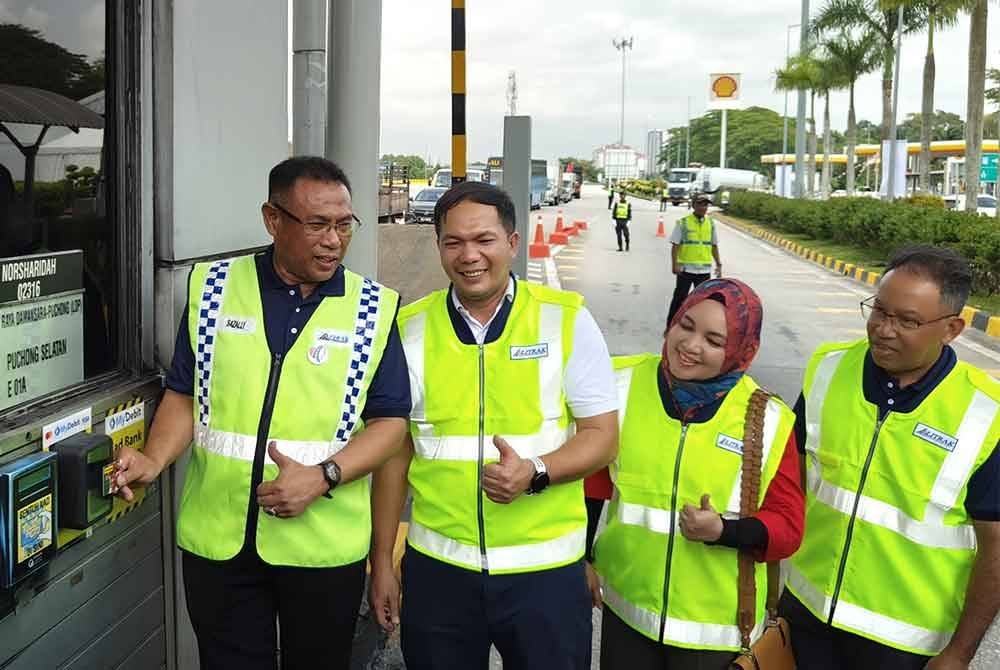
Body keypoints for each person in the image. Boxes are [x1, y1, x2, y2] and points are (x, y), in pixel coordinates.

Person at [111, 156, 411, 670]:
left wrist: (324, 476)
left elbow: (390, 424)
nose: (333, 240)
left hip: (322, 546)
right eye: (317, 224)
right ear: (273, 220)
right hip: (220, 541)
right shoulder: (212, 289)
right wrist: (153, 460)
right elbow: (186, 393)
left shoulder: (373, 309)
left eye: (344, 225)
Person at [369, 181, 619, 670]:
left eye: (484, 240)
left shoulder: (565, 321)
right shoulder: (407, 330)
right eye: (453, 242)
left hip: (544, 574)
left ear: (512, 242)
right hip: (439, 571)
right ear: (439, 245)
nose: (469, 256)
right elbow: (394, 455)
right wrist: (381, 561)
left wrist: (537, 470)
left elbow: (602, 436)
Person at [780, 245, 1000, 669]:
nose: (884, 329)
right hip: (806, 616)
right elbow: (784, 485)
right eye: (879, 311)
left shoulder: (985, 416)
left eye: (908, 321)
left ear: (952, 329)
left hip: (905, 646)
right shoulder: (828, 370)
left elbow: (996, 548)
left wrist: (958, 653)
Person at [589, 278, 804, 670]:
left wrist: (724, 531)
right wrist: (582, 559)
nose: (690, 346)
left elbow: (788, 527)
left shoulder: (767, 420)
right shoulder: (620, 386)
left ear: (742, 351)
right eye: (685, 326)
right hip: (626, 618)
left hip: (714, 637)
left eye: (714, 340)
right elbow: (591, 482)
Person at [667, 194, 722, 324]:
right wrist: (674, 265)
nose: (703, 207)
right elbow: (675, 245)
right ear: (694, 205)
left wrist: (719, 264)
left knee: (703, 301)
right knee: (679, 299)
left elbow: (714, 245)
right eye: (700, 204)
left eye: (706, 205)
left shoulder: (711, 223)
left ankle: (698, 327)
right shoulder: (683, 223)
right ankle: (671, 325)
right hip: (685, 270)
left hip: (704, 271)